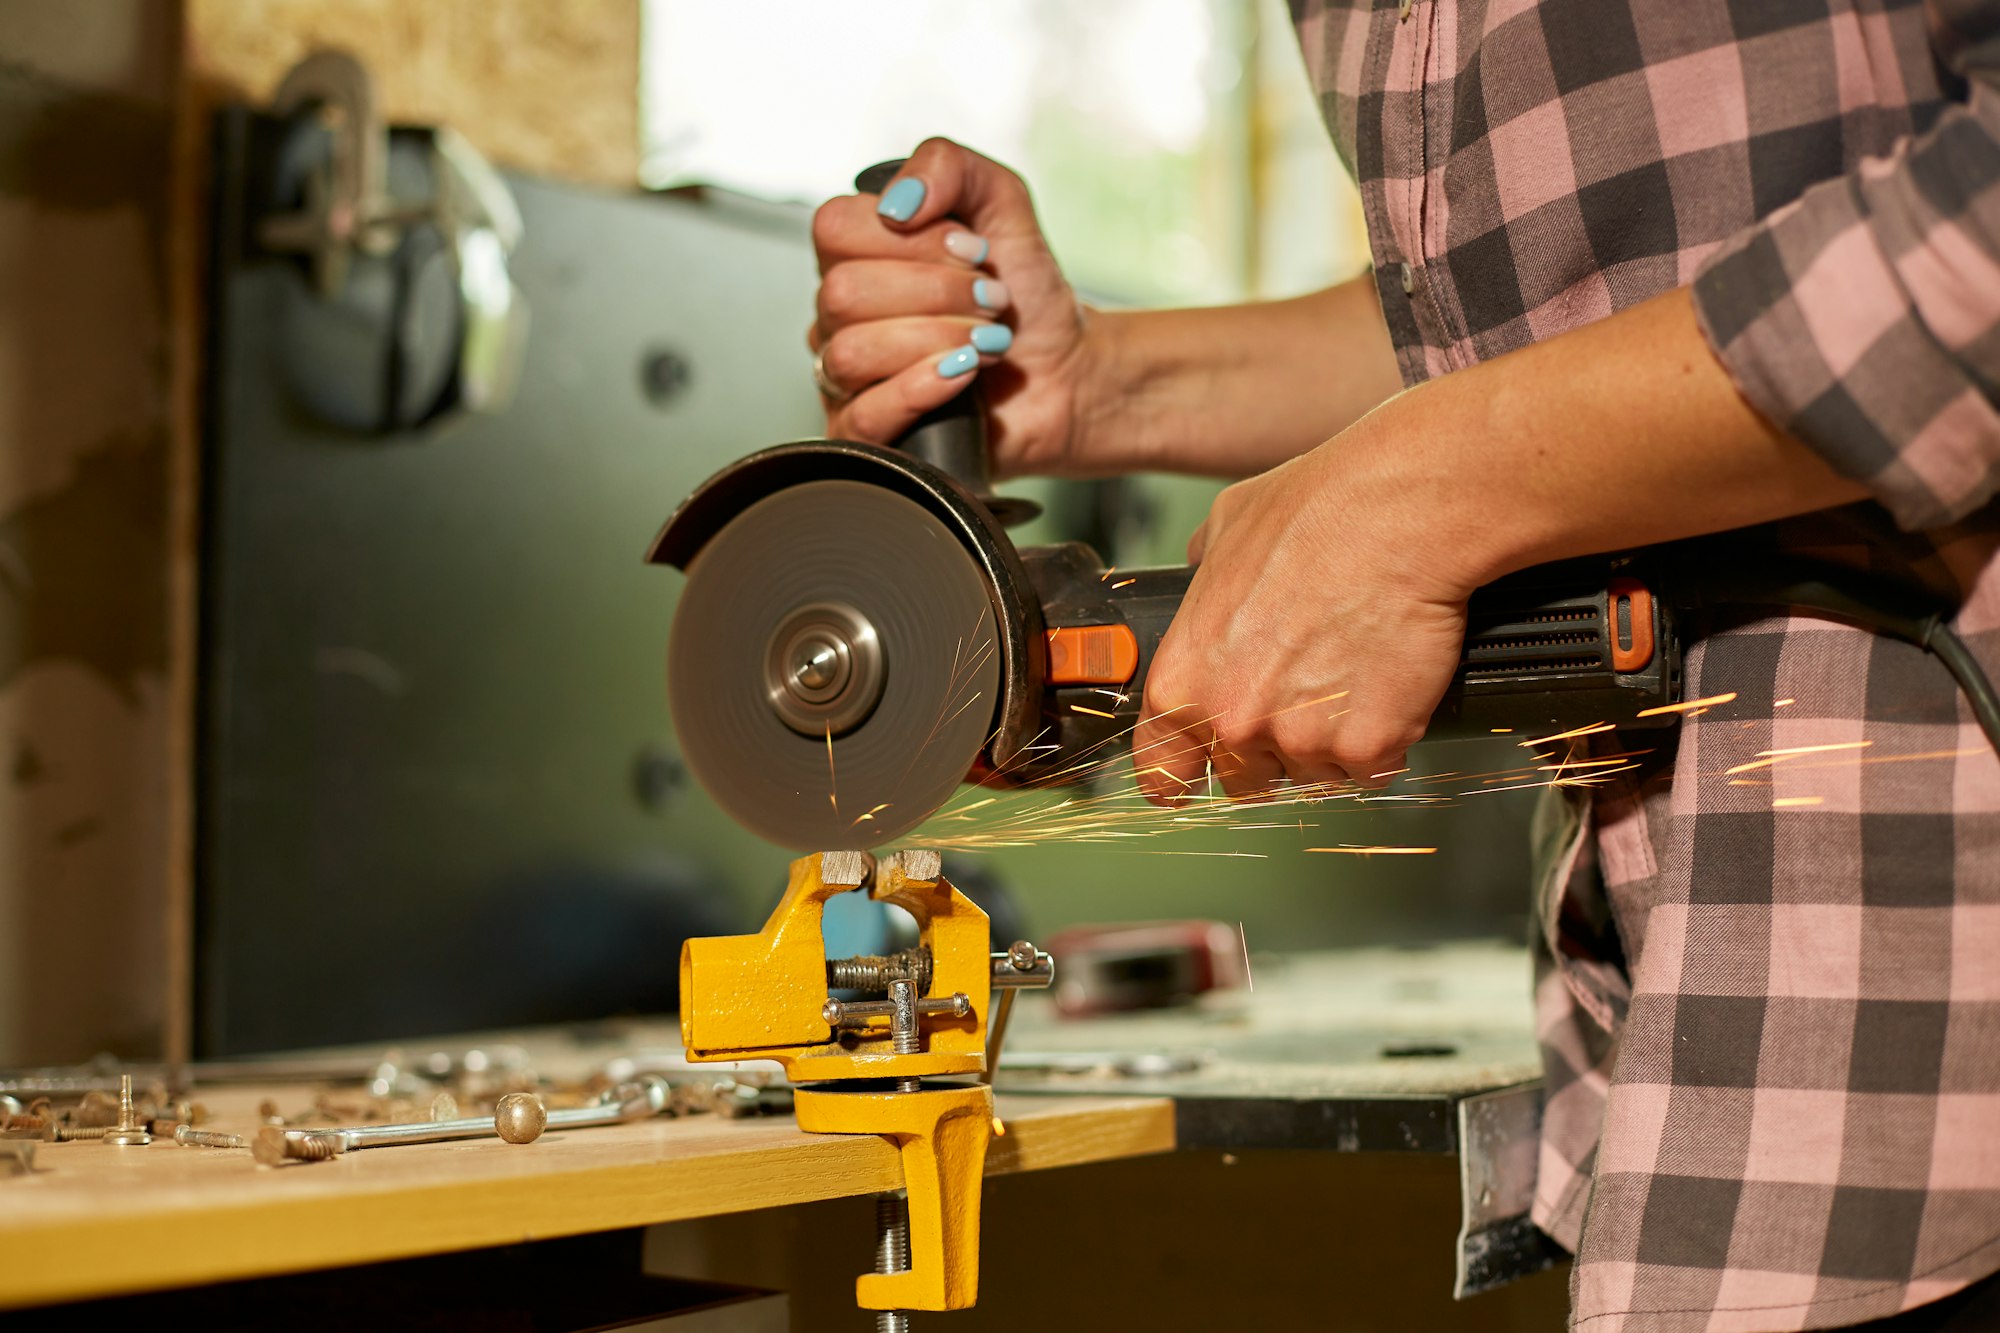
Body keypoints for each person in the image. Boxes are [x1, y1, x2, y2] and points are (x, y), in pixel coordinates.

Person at [806, 2, 2000, 1329]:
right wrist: (1110, 381)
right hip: (1677, 1043)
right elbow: (1582, 316)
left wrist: (1420, 496)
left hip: (1931, 1015)